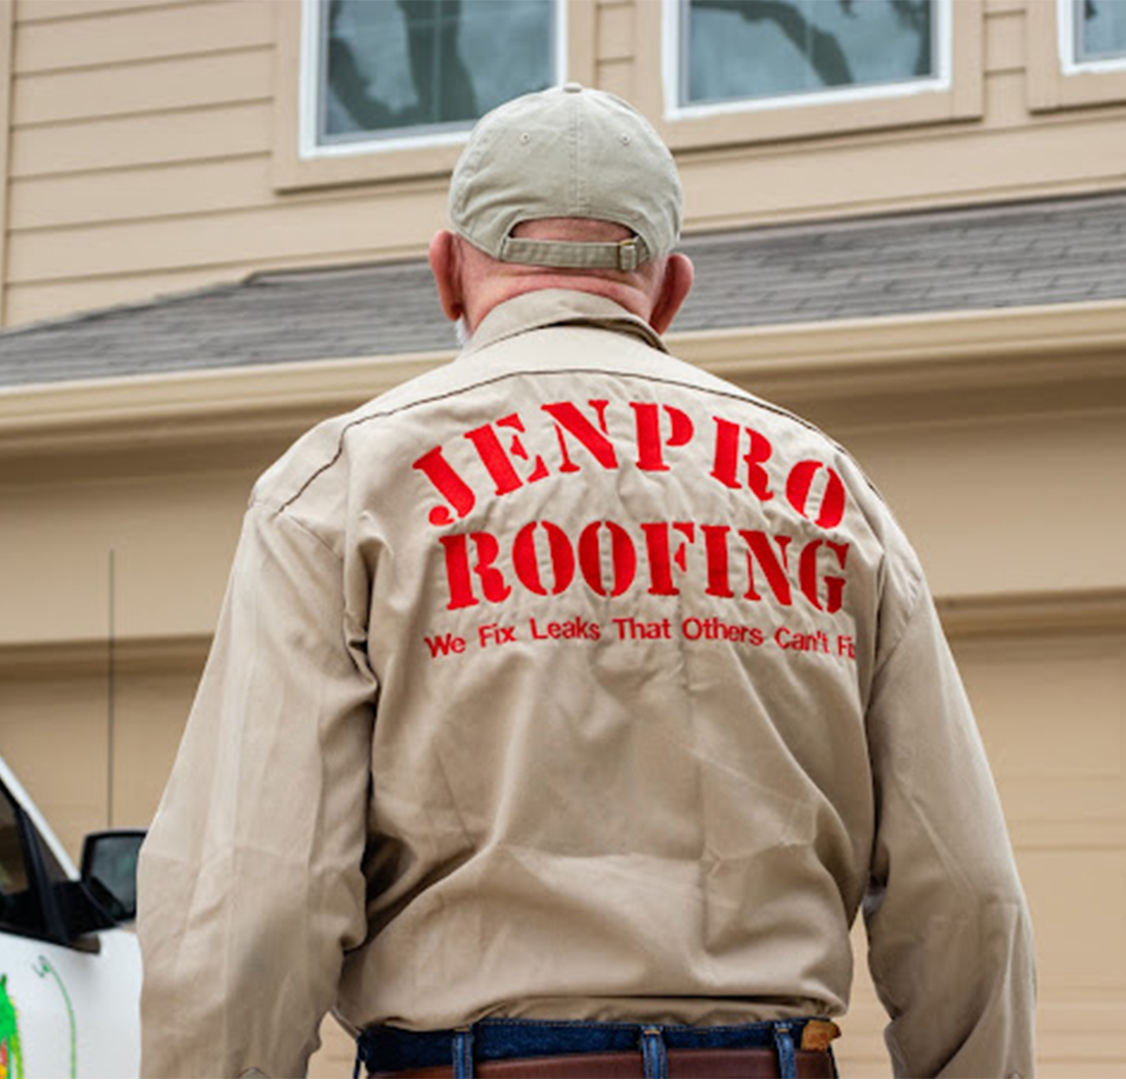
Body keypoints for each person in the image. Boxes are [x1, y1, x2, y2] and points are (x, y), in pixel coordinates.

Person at [138, 84, 1035, 1079]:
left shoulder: (343, 488)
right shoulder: (829, 493)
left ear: (446, 272)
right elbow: (966, 893)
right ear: (672, 288)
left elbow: (250, 900)